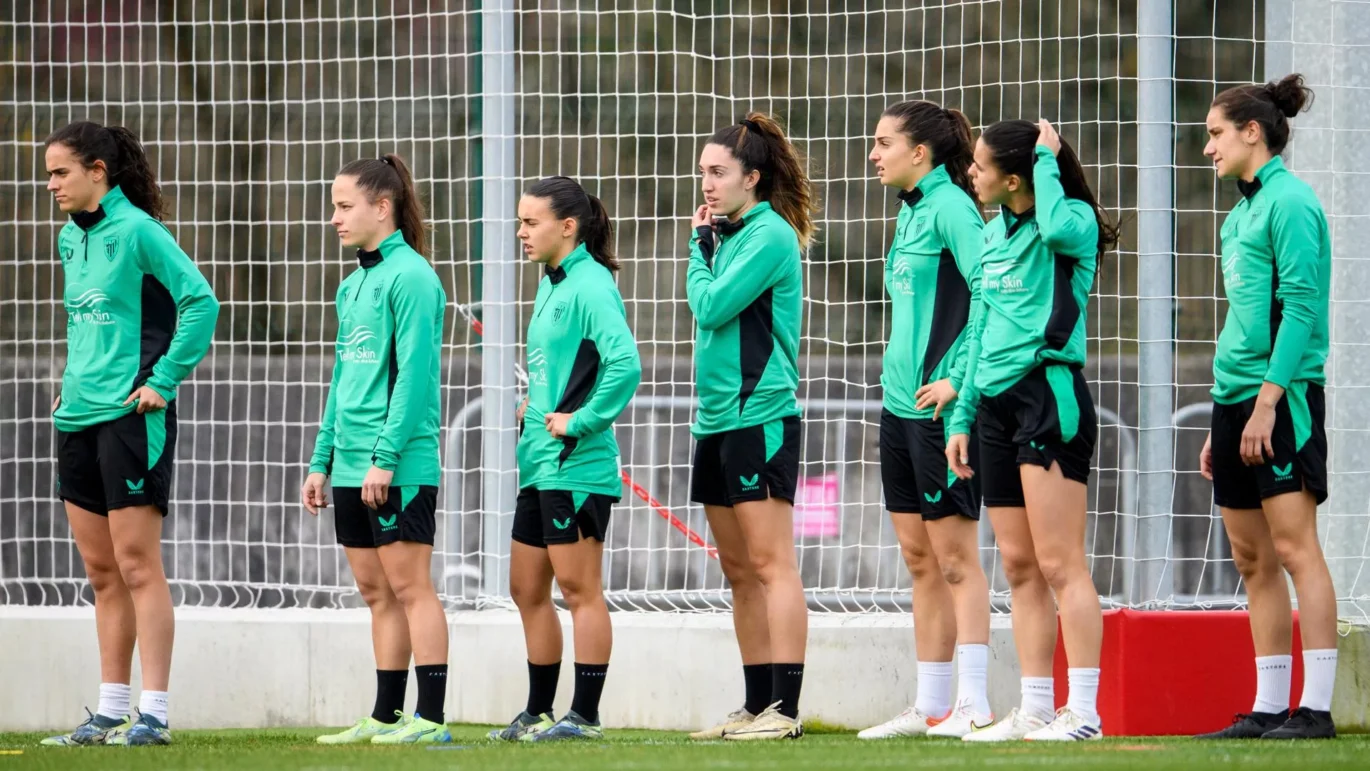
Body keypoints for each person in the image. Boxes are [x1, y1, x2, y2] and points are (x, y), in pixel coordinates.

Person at [43, 121, 219, 747]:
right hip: (77, 417)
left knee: (139, 564)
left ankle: (155, 714)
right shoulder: (68, 238)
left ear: (99, 172)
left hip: (131, 417)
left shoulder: (142, 231)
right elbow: (91, 326)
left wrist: (163, 381)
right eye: (48, 174)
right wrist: (70, 383)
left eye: (62, 172)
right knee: (100, 570)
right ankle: (111, 711)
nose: (52, 184)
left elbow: (202, 303)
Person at [946, 118, 1119, 742]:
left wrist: (1049, 160)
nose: (971, 173)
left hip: (1049, 397)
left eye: (981, 166)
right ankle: (1037, 707)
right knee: (1019, 564)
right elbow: (979, 334)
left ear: (1014, 177)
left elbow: (1055, 225)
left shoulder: (1066, 223)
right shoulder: (994, 236)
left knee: (1059, 562)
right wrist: (962, 415)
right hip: (992, 407)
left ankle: (1085, 713)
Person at [1195, 73, 1337, 741]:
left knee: (1294, 546)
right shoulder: (1237, 213)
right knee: (1251, 558)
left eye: (1216, 134)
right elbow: (1246, 317)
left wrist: (1267, 403)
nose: (1208, 148)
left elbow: (1302, 310)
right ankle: (1270, 705)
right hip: (1234, 402)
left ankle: (1317, 707)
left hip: (1282, 401)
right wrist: (1226, 408)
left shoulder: (1293, 203)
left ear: (1254, 131)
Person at [857, 100, 994, 740]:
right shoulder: (910, 212)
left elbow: (990, 296)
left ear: (922, 154)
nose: (874, 154)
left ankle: (974, 701)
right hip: (897, 405)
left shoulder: (953, 208)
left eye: (884, 143)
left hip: (940, 409)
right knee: (918, 557)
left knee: (956, 557)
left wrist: (958, 378)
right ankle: (932, 703)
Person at [303, 155, 451, 745]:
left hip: (397, 461)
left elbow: (414, 378)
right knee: (375, 591)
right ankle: (386, 715)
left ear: (381, 207)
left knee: (412, 587)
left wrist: (385, 458)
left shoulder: (412, 277)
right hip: (349, 463)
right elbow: (343, 381)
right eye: (334, 207)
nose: (334, 218)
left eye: (344, 207)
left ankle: (431, 720)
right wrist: (322, 460)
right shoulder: (353, 284)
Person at [489, 176, 641, 742]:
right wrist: (539, 401)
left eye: (531, 222)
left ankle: (586, 716)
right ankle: (538, 711)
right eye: (520, 222)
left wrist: (578, 422)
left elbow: (625, 365)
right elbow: (569, 365)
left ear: (568, 227)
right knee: (526, 589)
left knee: (580, 591)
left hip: (578, 467)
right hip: (539, 464)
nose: (521, 233)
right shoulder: (549, 284)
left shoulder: (592, 283)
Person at [684, 113, 817, 742]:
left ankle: (785, 712)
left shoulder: (768, 236)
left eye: (718, 173)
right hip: (714, 421)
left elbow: (709, 305)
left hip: (758, 416)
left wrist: (697, 248)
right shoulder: (728, 235)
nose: (706, 184)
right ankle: (755, 702)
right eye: (703, 172)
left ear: (752, 178)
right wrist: (709, 245)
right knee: (738, 571)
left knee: (771, 565)